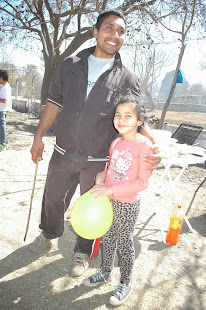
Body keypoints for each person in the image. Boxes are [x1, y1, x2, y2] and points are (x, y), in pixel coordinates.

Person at [30, 10, 161, 277]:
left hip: (98, 160)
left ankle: (82, 252)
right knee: (53, 199)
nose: (115, 35)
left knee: (92, 206)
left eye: (121, 31)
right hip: (63, 152)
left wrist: (153, 145)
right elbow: (54, 102)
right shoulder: (71, 64)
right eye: (109, 28)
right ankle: (51, 231)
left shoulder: (127, 77)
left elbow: (137, 115)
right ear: (96, 32)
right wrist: (38, 136)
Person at [83, 94, 153, 306]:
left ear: (140, 120)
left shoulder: (144, 146)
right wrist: (101, 176)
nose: (121, 120)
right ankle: (105, 272)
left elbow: (142, 182)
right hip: (108, 200)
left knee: (124, 243)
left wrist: (111, 188)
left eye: (128, 116)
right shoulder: (116, 142)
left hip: (127, 204)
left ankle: (126, 281)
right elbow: (110, 167)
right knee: (108, 238)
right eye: (118, 115)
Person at [0, 70, 12, 151]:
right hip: (3, 109)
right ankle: (5, 143)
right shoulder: (4, 87)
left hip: (2, 109)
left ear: (1, 78)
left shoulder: (6, 87)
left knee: (2, 127)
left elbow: (4, 100)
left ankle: (3, 144)